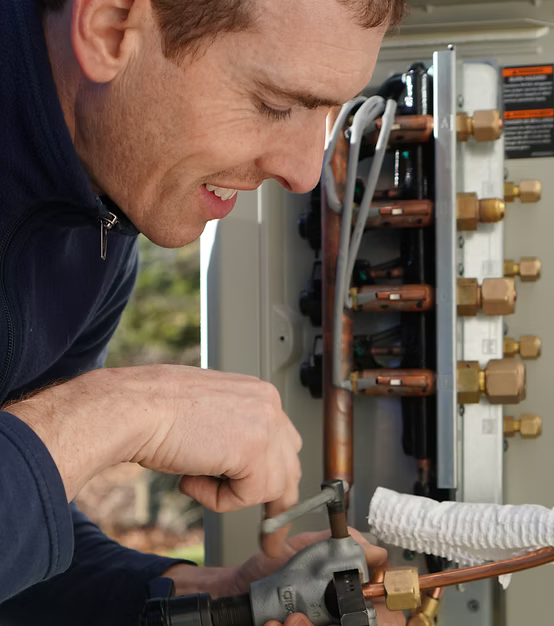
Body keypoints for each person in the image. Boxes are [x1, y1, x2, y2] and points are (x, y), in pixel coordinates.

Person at [0, 0, 406, 623]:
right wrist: (128, 409)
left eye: (329, 112)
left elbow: (25, 536)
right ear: (110, 28)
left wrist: (220, 598)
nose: (303, 171)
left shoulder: (102, 224)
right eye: (275, 104)